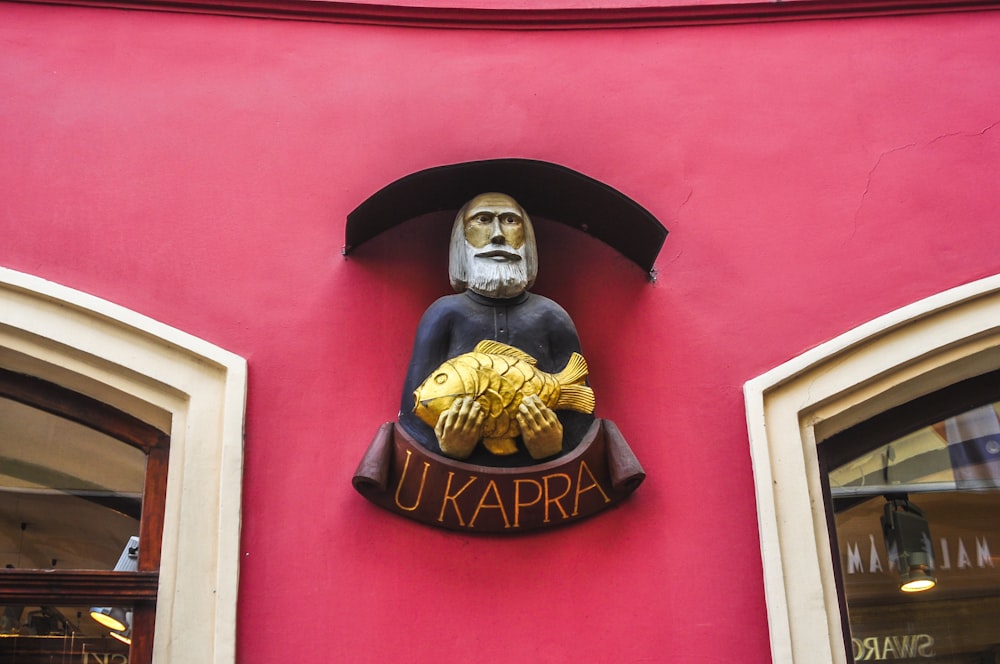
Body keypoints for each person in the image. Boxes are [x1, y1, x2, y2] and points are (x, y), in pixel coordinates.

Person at [398, 192, 594, 466]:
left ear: (526, 238)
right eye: (483, 220)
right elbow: (412, 415)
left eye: (510, 221)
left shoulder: (552, 316)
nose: (498, 235)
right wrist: (449, 445)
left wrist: (552, 445)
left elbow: (582, 417)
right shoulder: (443, 314)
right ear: (462, 239)